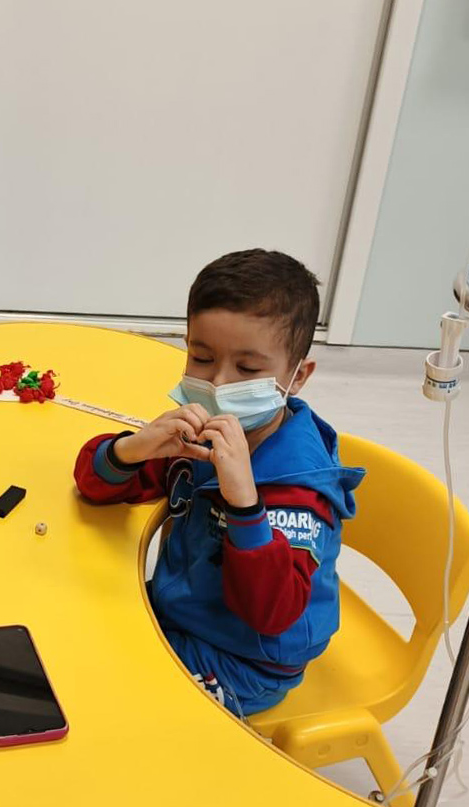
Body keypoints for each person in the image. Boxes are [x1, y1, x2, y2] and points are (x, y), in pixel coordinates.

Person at [74, 249, 364, 716]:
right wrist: (132, 449)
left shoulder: (298, 488)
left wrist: (244, 502)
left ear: (297, 376)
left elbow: (271, 614)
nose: (219, 384)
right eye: (202, 357)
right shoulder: (202, 433)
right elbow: (93, 485)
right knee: (67, 629)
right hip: (180, 613)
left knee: (101, 696)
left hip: (244, 661)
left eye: (247, 370)